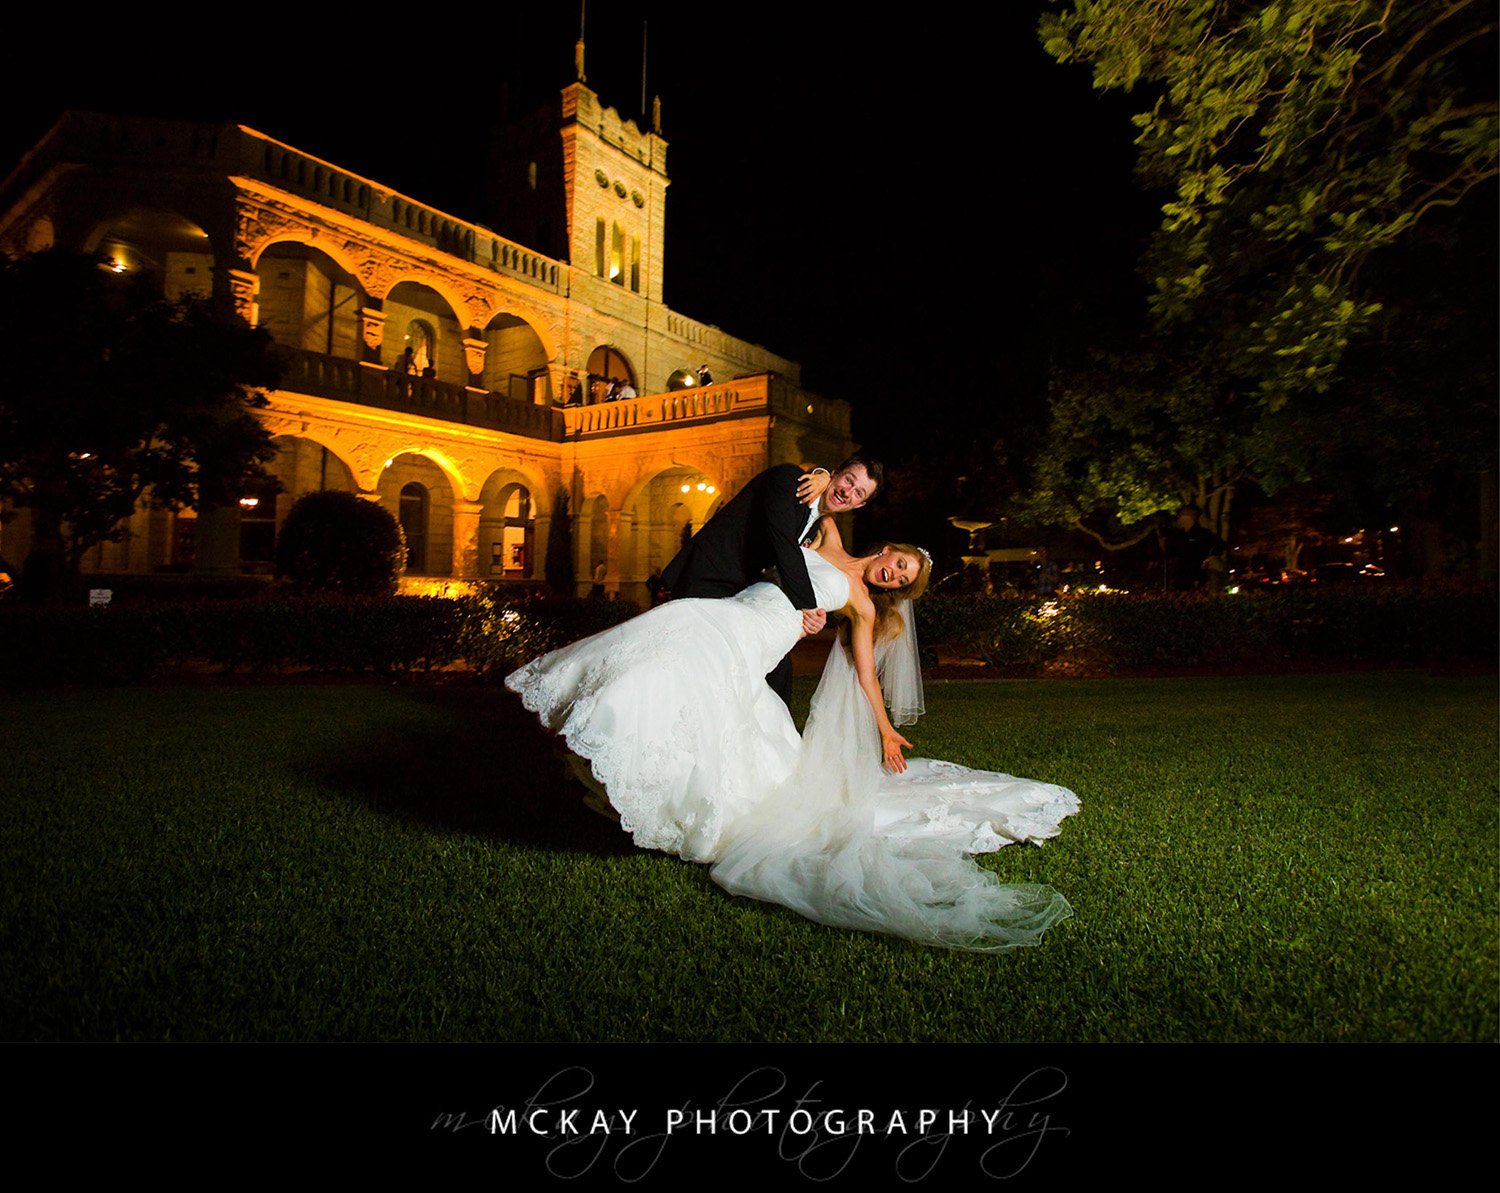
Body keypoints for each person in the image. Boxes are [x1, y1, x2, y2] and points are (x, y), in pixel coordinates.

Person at [506, 502, 1080, 953]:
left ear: (894, 588)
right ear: (887, 549)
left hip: (758, 641)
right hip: (728, 612)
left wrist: (883, 729)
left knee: (692, 694)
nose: (891, 572)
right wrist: (826, 477)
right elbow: (825, 503)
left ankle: (629, 774)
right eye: (897, 561)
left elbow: (864, 674)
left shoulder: (862, 604)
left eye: (901, 577)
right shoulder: (829, 542)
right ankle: (592, 736)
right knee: (661, 650)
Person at [659, 455, 882, 709]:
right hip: (707, 576)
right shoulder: (789, 480)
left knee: (778, 664)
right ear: (836, 472)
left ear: (860, 504)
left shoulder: (815, 526)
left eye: (858, 492)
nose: (847, 491)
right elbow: (783, 546)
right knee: (693, 660)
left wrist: (812, 614)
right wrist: (807, 606)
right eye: (848, 480)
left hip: (740, 593)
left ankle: (772, 740)